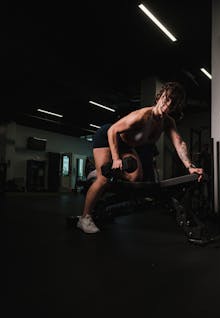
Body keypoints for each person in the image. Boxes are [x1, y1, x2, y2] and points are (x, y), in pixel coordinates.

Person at [77, 82, 204, 234]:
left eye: (173, 102)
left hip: (126, 145)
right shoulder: (143, 116)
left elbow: (179, 143)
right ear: (160, 97)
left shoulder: (168, 122)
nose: (168, 103)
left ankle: (102, 170)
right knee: (103, 179)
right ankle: (85, 218)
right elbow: (113, 130)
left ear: (176, 106)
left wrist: (190, 166)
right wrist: (116, 159)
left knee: (136, 176)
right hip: (107, 136)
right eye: (166, 98)